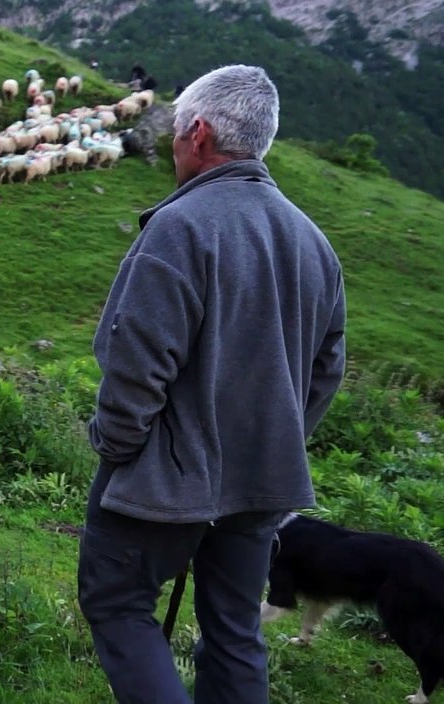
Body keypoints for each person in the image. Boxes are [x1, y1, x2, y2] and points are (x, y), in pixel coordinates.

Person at [76, 64, 347, 704]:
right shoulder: (314, 242)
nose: (172, 146)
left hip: (161, 482)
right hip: (261, 482)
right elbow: (326, 369)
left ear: (198, 133)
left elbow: (137, 359)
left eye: (174, 134)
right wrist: (280, 440)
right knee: (233, 629)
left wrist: (118, 449)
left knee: (117, 604)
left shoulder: (181, 227)